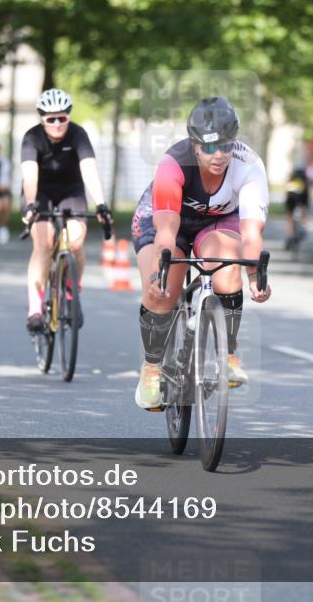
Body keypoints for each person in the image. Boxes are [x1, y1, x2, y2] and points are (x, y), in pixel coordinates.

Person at [131, 96, 272, 411]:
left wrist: (254, 276)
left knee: (228, 265)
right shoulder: (173, 163)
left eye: (225, 146)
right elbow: (166, 232)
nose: (218, 155)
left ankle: (228, 355)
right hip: (166, 221)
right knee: (162, 291)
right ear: (194, 145)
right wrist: (159, 273)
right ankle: (152, 368)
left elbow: (251, 232)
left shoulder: (248, 165)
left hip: (216, 222)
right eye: (208, 147)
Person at [21, 88, 113, 333]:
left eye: (62, 118)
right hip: (39, 192)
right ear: (42, 119)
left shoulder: (78, 135)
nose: (57, 124)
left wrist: (101, 203)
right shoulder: (32, 138)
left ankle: (71, 290)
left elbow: (89, 170)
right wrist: (31, 205)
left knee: (75, 241)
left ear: (68, 116)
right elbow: (29, 176)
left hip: (71, 190)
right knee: (43, 242)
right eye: (51, 119)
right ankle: (35, 310)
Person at [285, 162, 309, 248]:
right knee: (304, 210)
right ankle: (303, 227)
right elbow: (308, 191)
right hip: (302, 196)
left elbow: (287, 190)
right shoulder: (305, 178)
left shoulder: (292, 177)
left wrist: (286, 200)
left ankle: (290, 234)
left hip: (291, 196)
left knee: (290, 215)